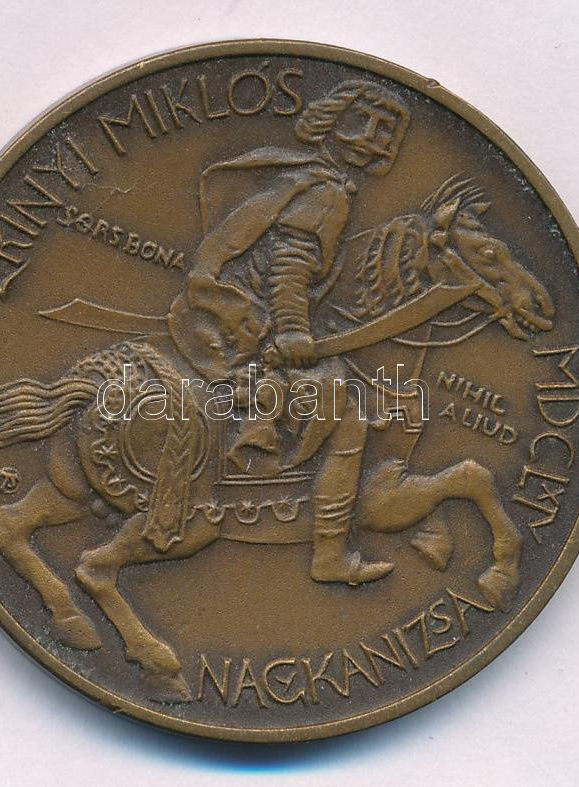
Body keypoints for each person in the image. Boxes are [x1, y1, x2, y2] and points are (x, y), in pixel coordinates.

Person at [170, 80, 410, 584]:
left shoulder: (300, 178)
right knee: (349, 416)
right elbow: (289, 269)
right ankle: (330, 556)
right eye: (363, 122)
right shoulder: (326, 192)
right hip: (240, 332)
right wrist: (294, 332)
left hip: (216, 318)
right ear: (331, 121)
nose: (373, 137)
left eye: (386, 130)